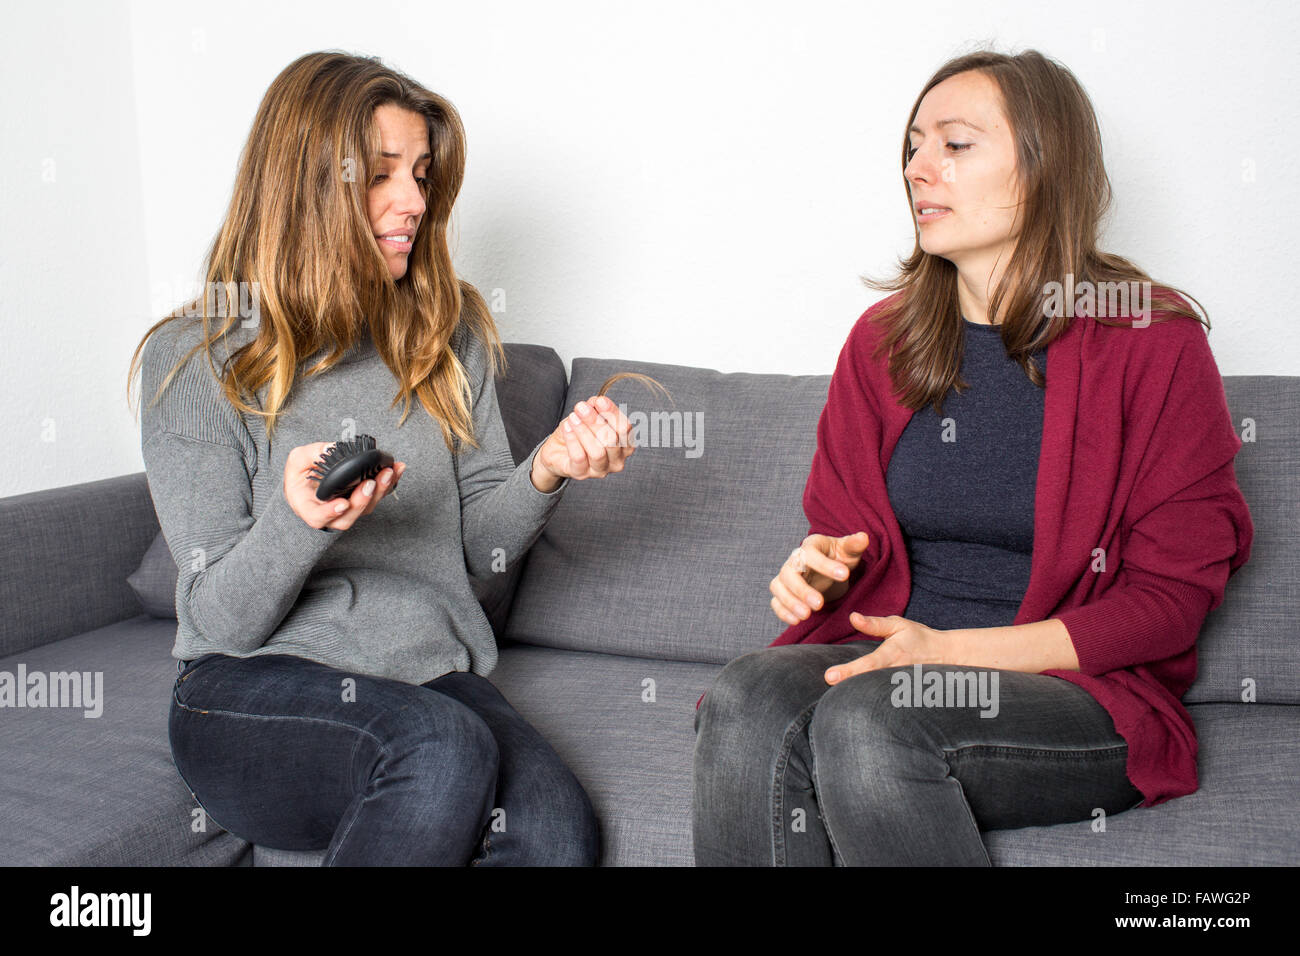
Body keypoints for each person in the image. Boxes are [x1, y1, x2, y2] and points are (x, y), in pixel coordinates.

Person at [692, 48, 1254, 866]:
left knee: (875, 718)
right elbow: (848, 535)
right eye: (913, 146)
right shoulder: (882, 342)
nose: (919, 168)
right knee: (744, 695)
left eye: (955, 145)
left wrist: (951, 652)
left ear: (1045, 165)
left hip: (1072, 696)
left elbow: (1169, 603)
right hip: (892, 662)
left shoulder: (1152, 342)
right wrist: (820, 566)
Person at [127, 51, 635, 865]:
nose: (414, 203)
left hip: (431, 679)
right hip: (248, 693)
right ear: (304, 188)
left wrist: (548, 469)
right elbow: (218, 619)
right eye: (383, 175)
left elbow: (476, 554)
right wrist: (298, 523)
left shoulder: (446, 334)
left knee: (556, 829)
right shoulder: (197, 358)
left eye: (423, 175)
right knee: (438, 748)